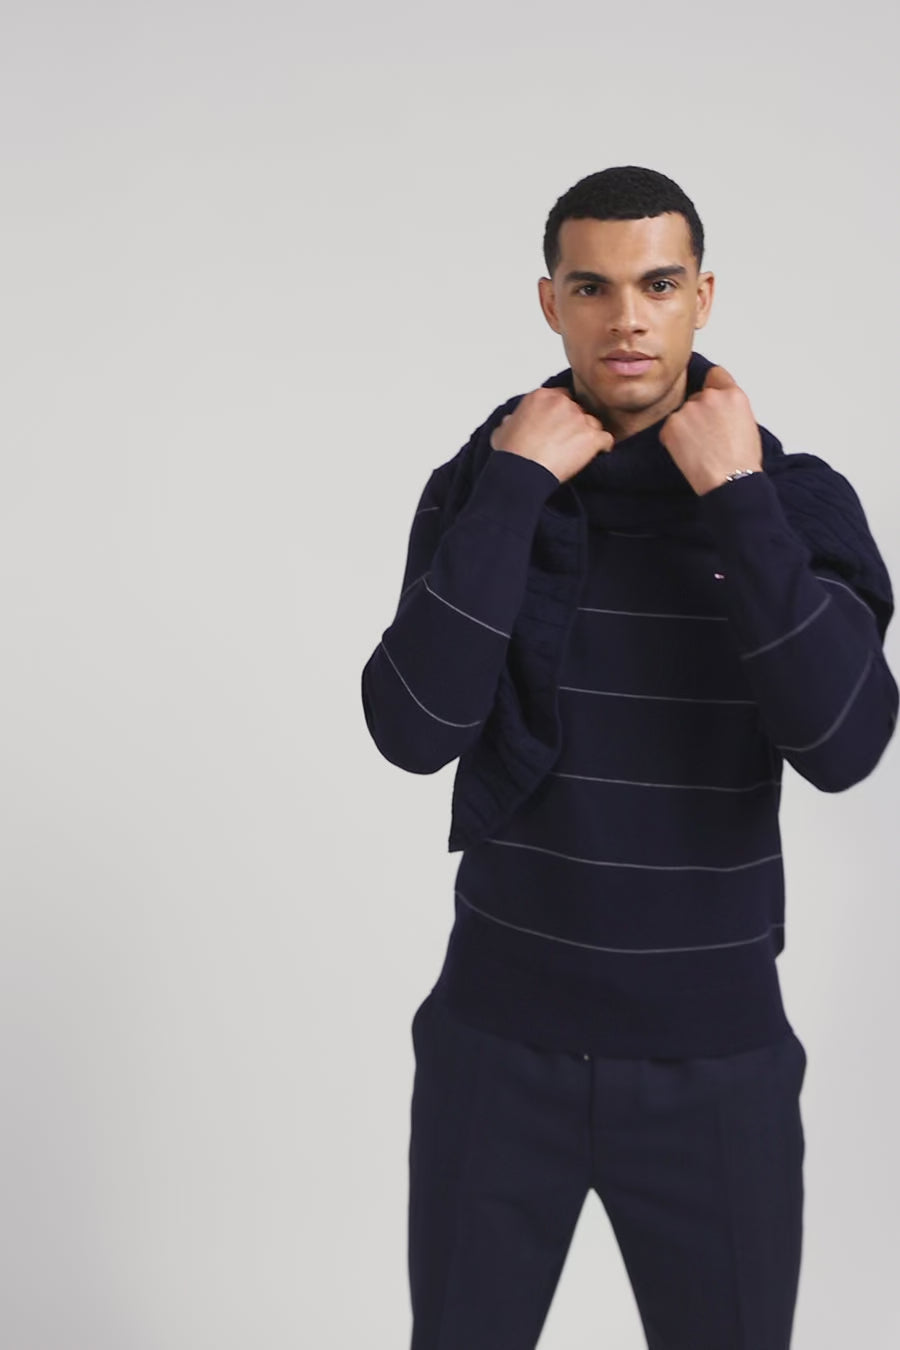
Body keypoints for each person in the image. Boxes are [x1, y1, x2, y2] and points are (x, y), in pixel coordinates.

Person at [359, 165, 898, 1350]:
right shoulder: (486, 487)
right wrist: (514, 489)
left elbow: (844, 741)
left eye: (658, 285)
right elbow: (413, 727)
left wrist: (736, 495)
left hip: (717, 1062)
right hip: (496, 1047)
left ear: (703, 296)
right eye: (592, 287)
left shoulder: (790, 502)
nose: (627, 319)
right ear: (550, 303)